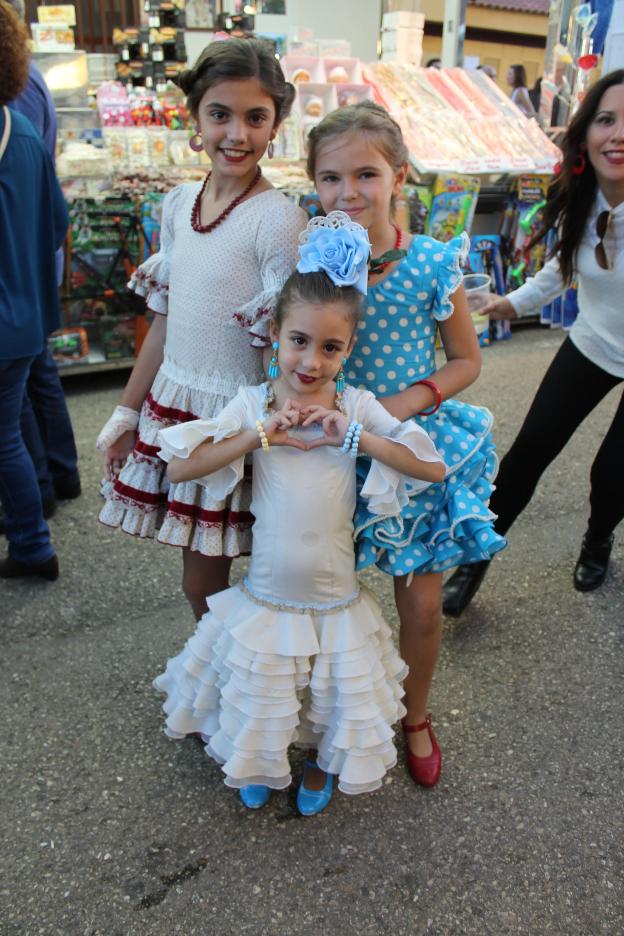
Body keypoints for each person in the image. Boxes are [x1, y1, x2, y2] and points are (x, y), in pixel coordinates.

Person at [153, 212, 446, 814]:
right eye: (299, 341)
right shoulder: (254, 404)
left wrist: (357, 435)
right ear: (276, 335)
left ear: (348, 349)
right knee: (268, 687)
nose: (311, 362)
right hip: (267, 591)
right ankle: (262, 755)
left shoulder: (355, 405)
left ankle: (317, 761)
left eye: (330, 347)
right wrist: (259, 436)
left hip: (335, 595)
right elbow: (181, 467)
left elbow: (432, 467)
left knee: (326, 689)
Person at [306, 101, 505, 788]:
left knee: (420, 602)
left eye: (366, 174)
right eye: (330, 179)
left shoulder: (429, 263)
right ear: (314, 186)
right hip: (329, 452)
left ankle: (415, 713)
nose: (348, 193)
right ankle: (332, 715)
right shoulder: (314, 264)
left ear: (400, 176)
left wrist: (400, 406)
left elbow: (464, 361)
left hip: (408, 449)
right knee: (324, 599)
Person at [97, 39, 307, 619]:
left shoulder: (279, 220)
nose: (236, 134)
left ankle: (254, 682)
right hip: (180, 408)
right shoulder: (177, 204)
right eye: (220, 114)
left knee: (262, 572)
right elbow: (163, 324)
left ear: (275, 126)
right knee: (201, 579)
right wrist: (127, 411)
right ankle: (224, 675)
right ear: (195, 118)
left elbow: (292, 346)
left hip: (244, 420)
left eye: (255, 117)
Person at [443, 70, 624, 617]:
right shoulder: (580, 198)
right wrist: (509, 304)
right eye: (607, 120)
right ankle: (475, 559)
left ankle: (597, 540)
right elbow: (559, 269)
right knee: (527, 454)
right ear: (586, 133)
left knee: (612, 472)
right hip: (593, 343)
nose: (617, 135)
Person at [3, 0, 81, 528]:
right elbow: (56, 221)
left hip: (12, 301)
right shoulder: (24, 130)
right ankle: (55, 482)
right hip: (28, 299)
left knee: (11, 425)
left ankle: (34, 524)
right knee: (29, 394)